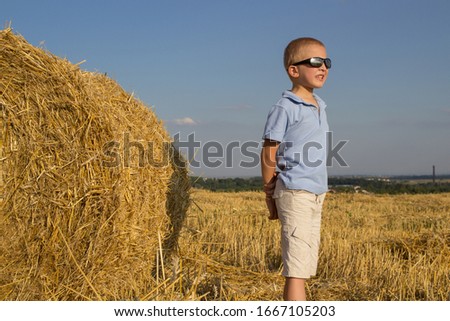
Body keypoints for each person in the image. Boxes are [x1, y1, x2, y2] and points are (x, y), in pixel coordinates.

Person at [260, 37, 331, 300]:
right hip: (294, 192)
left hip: (315, 193)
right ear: (293, 70)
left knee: (306, 264)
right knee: (297, 272)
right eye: (315, 62)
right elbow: (269, 152)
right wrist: (270, 195)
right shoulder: (285, 106)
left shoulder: (319, 105)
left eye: (327, 62)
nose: (323, 67)